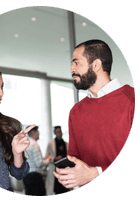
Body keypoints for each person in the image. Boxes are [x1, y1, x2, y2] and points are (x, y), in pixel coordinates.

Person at [53, 40, 135, 189]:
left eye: (76, 63)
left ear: (96, 65)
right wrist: (69, 174)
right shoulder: (76, 111)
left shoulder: (132, 100)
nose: (72, 69)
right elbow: (74, 158)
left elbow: (91, 173)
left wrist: (96, 173)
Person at [23, 126, 53, 196]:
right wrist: (48, 160)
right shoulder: (34, 144)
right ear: (33, 132)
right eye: (38, 132)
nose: (39, 133)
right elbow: (39, 163)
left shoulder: (24, 144)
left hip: (25, 177)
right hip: (34, 177)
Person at [45, 126, 69, 195]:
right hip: (55, 170)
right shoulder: (50, 144)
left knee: (65, 188)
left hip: (65, 170)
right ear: (55, 133)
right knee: (56, 189)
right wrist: (55, 158)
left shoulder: (66, 144)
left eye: (60, 132)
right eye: (57, 132)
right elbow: (47, 157)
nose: (59, 134)